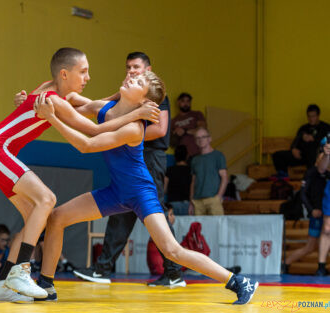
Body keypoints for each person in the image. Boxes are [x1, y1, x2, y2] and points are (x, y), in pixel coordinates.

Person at [30, 71, 258, 305]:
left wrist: (52, 118)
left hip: (140, 192)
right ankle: (46, 285)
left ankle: (239, 282)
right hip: (116, 191)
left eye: (139, 82)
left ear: (145, 102)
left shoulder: (136, 128)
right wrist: (31, 102)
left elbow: (87, 145)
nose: (131, 78)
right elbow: (74, 109)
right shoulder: (107, 106)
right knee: (57, 217)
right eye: (134, 77)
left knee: (172, 251)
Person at [0, 47, 160, 302]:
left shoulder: (50, 91)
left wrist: (124, 99)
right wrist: (136, 114)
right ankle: (21, 272)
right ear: (65, 74)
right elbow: (94, 130)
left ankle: (1, 284)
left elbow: (99, 107)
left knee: (34, 216)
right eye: (83, 72)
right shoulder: (54, 101)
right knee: (47, 199)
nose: (88, 78)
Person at [54, 51, 183, 287]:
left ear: (149, 70)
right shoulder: (127, 95)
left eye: (136, 67)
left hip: (148, 157)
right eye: (128, 67)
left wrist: (124, 130)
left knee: (155, 213)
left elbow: (161, 129)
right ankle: (103, 268)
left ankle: (173, 270)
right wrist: (67, 103)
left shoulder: (152, 93)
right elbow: (102, 109)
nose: (131, 71)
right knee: (122, 214)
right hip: (130, 156)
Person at [283, 161, 328, 274]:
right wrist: (311, 209)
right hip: (318, 214)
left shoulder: (327, 173)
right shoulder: (311, 173)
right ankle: (285, 264)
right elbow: (303, 193)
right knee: (310, 247)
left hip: (325, 211)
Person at [272, 104, 330, 178]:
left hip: (316, 157)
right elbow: (296, 141)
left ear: (318, 116)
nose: (311, 118)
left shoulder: (325, 127)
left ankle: (311, 178)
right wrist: (293, 149)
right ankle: (283, 176)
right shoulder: (303, 128)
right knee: (277, 155)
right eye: (309, 116)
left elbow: (327, 144)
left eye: (313, 116)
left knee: (312, 148)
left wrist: (314, 139)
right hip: (301, 156)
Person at [188, 128, 228, 216]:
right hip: (197, 201)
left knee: (216, 228)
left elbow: (224, 178)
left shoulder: (218, 156)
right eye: (198, 138)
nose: (200, 140)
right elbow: (193, 182)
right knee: (199, 229)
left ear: (209, 139)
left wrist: (219, 196)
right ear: (195, 141)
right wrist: (191, 201)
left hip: (213, 199)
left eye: (203, 137)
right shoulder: (195, 159)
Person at [170, 93, 206, 158]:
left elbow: (202, 130)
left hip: (199, 153)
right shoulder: (173, 121)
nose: (186, 104)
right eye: (183, 101)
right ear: (178, 102)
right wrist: (176, 135)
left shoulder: (197, 114)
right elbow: (172, 144)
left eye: (188, 101)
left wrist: (184, 131)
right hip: (182, 158)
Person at [316, 139, 330, 275]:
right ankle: (321, 266)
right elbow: (320, 168)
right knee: (327, 228)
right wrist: (327, 154)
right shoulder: (326, 141)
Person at [165, 145, 191, 216]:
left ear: (175, 156)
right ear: (187, 156)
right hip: (188, 204)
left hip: (172, 203)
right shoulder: (191, 170)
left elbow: (164, 189)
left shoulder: (169, 170)